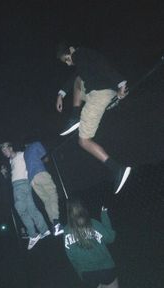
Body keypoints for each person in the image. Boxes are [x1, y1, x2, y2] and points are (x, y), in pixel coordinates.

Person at [55, 43, 131, 194]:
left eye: (68, 59)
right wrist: (61, 93)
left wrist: (121, 84)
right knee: (78, 80)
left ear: (71, 50)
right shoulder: (83, 61)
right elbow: (75, 78)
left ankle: (117, 169)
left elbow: (103, 63)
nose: (69, 63)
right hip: (94, 92)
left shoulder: (80, 54)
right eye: (66, 62)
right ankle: (75, 116)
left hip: (99, 95)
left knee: (83, 141)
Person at [64, 194, 123, 288]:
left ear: (69, 212)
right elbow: (111, 237)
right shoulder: (93, 224)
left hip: (87, 275)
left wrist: (82, 275)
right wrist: (104, 215)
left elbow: (72, 258)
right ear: (82, 208)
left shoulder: (66, 232)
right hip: (106, 269)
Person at [0, 142, 50, 250]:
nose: (4, 152)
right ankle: (44, 230)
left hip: (20, 186)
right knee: (32, 209)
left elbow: (34, 160)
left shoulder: (22, 154)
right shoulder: (11, 160)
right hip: (25, 185)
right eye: (2, 151)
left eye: (5, 149)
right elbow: (15, 173)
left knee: (21, 210)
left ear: (11, 148)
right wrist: (5, 174)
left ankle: (33, 235)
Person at [24, 141, 64, 236]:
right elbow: (45, 158)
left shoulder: (25, 153)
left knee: (46, 200)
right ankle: (56, 221)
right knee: (52, 194)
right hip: (40, 173)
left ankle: (54, 224)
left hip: (32, 179)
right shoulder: (36, 144)